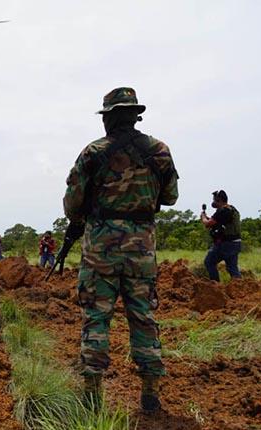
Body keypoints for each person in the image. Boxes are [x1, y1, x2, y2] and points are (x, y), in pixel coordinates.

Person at [63, 87, 178, 413]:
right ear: (134, 115)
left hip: (100, 250)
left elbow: (72, 205)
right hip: (142, 250)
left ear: (108, 118)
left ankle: (92, 395)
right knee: (143, 316)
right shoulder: (159, 151)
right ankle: (150, 393)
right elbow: (170, 197)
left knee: (96, 317)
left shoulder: (93, 153)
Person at [201, 190, 242, 281]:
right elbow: (218, 222)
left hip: (226, 244)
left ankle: (215, 285)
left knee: (209, 262)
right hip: (235, 243)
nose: (213, 202)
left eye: (214, 200)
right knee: (232, 268)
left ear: (219, 200)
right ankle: (240, 286)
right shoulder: (232, 209)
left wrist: (203, 217)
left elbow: (208, 224)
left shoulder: (223, 211)